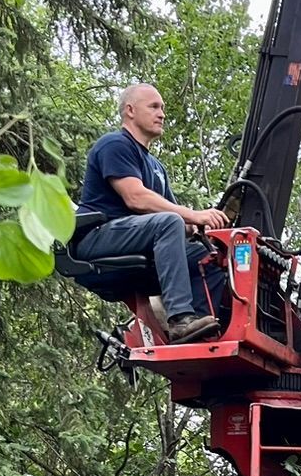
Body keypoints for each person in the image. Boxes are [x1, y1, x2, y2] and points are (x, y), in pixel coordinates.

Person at [70, 84, 228, 342]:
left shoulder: (156, 167)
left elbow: (181, 223)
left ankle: (199, 333)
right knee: (168, 222)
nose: (162, 113)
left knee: (206, 256)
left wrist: (201, 226)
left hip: (138, 241)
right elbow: (135, 198)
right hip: (97, 238)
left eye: (163, 108)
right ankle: (180, 319)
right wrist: (193, 214)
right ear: (130, 111)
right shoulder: (114, 144)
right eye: (154, 106)